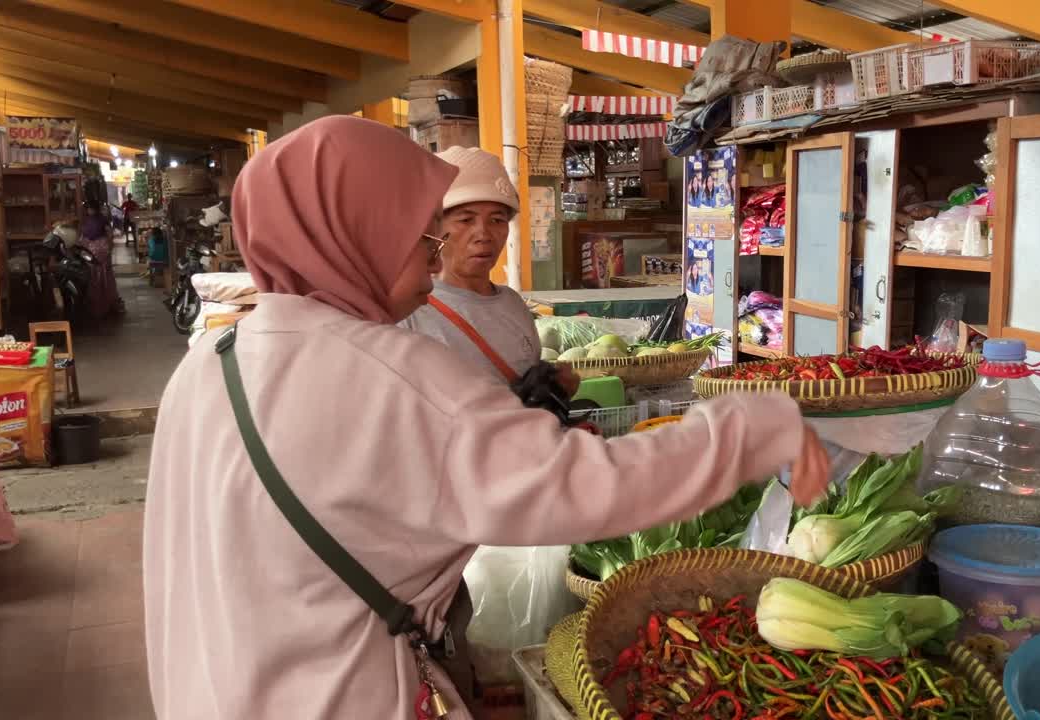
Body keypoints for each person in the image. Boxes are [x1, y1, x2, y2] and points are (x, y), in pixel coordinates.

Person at [143, 115, 831, 720]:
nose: (435, 251)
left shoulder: (210, 363)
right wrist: (752, 427)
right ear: (352, 233)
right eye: (420, 231)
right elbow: (590, 486)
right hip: (337, 695)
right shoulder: (395, 378)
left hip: (209, 690)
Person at [402, 146, 567, 391]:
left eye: (497, 220)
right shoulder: (410, 312)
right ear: (434, 227)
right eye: (466, 220)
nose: (483, 234)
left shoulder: (513, 305)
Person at [80, 203, 123, 321]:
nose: (89, 210)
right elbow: (109, 236)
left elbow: (108, 236)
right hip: (97, 252)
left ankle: (100, 306)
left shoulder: (92, 221)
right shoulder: (96, 220)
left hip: (96, 252)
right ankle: (103, 305)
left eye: (90, 208)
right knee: (101, 277)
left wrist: (108, 246)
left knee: (97, 278)